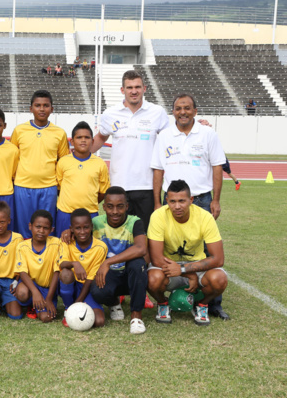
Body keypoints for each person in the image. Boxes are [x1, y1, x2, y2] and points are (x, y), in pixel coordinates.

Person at [151, 93, 228, 319]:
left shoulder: (208, 134)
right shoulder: (164, 136)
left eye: (187, 108)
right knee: (170, 246)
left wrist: (216, 199)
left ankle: (211, 304)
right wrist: (157, 201)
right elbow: (158, 169)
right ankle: (175, 291)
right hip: (171, 198)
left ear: (195, 111)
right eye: (178, 108)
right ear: (172, 112)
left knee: (205, 252)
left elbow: (216, 166)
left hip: (201, 198)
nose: (182, 112)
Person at [92, 70, 170, 232]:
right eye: (129, 87)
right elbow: (100, 137)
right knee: (119, 234)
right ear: (122, 90)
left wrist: (197, 125)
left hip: (147, 186)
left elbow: (171, 137)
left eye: (137, 87)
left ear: (144, 88)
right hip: (119, 186)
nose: (134, 91)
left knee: (146, 233)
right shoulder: (110, 114)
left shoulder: (157, 112)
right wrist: (80, 155)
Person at [147, 180, 228, 326]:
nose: (177, 206)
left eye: (182, 201)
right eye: (172, 201)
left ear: (191, 200)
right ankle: (163, 303)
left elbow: (218, 259)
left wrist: (184, 269)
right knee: (152, 279)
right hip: (169, 266)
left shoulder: (205, 217)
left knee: (219, 279)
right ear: (167, 201)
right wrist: (186, 274)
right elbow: (156, 258)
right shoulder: (158, 216)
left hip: (196, 264)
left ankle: (201, 305)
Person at [88, 187, 149, 334]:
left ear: (126, 206)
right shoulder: (95, 222)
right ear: (104, 207)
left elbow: (141, 248)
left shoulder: (135, 222)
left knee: (138, 264)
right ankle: (114, 302)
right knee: (97, 292)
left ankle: (136, 316)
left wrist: (108, 262)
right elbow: (80, 231)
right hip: (110, 275)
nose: (115, 211)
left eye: (120, 206)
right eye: (110, 206)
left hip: (129, 274)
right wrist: (68, 231)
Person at [10, 90, 70, 238]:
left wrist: (60, 187)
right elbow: (12, 158)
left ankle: (46, 259)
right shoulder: (19, 130)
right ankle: (24, 258)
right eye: (38, 105)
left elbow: (64, 162)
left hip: (48, 188)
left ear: (52, 109)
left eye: (46, 105)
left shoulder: (59, 133)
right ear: (31, 108)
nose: (42, 109)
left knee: (46, 228)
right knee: (24, 228)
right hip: (23, 186)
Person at [55, 121, 109, 237]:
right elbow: (59, 188)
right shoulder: (63, 162)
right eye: (79, 137)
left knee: (88, 248)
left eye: (87, 137)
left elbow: (103, 192)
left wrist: (89, 203)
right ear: (72, 141)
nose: (83, 140)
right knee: (63, 247)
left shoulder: (100, 163)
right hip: (65, 213)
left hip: (90, 214)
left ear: (92, 141)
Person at [59, 209, 107, 329]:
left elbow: (90, 279)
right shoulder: (66, 242)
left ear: (91, 226)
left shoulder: (100, 247)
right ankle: (67, 308)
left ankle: (73, 307)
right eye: (77, 228)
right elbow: (62, 264)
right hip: (71, 284)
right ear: (71, 229)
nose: (82, 232)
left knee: (99, 321)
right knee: (65, 273)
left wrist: (78, 304)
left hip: (87, 287)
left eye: (86, 227)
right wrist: (75, 263)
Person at [13, 210, 62, 323]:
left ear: (51, 230)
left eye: (45, 228)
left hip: (47, 288)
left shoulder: (57, 244)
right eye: (38, 227)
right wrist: (35, 292)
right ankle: (31, 304)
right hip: (31, 286)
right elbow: (22, 272)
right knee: (22, 293)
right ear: (30, 226)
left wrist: (49, 298)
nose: (41, 231)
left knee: (46, 318)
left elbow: (57, 272)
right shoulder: (22, 246)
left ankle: (39, 306)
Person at [0, 201, 24, 319]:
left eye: (2, 222)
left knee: (16, 315)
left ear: (9, 220)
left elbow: (22, 263)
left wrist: (17, 281)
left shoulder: (17, 239)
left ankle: (5, 300)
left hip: (11, 282)